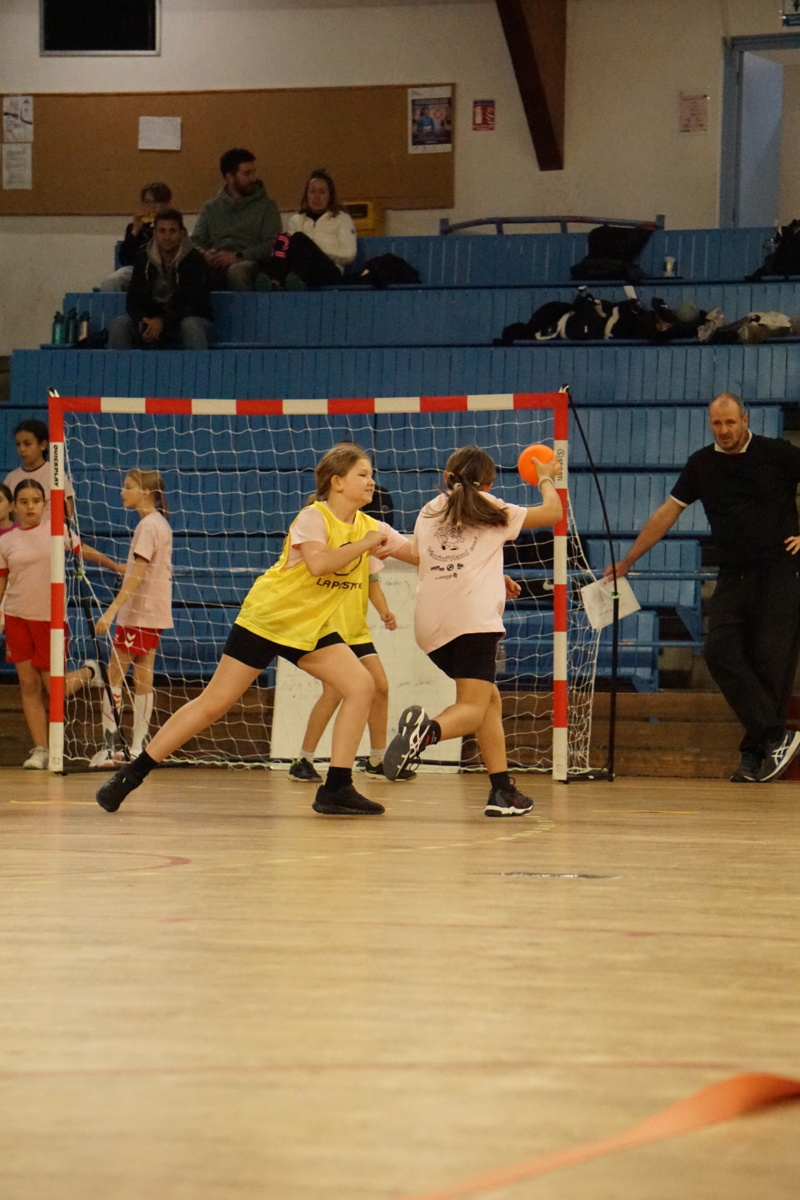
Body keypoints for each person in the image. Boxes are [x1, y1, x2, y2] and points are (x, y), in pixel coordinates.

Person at [95, 442, 417, 817]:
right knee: (213, 705)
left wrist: (455, 538)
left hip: (309, 628)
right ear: (337, 482)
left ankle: (337, 787)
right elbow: (318, 564)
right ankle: (130, 775)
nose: (371, 481)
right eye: (362, 474)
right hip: (268, 618)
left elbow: (418, 555)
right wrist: (364, 545)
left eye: (371, 475)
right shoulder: (314, 517)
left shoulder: (373, 527)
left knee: (361, 685)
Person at [603, 391, 800, 784]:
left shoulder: (776, 453)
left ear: (745, 420)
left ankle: (754, 756)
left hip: (780, 571)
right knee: (719, 650)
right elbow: (667, 513)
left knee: (770, 663)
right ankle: (776, 737)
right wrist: (628, 560)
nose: (724, 430)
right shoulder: (701, 464)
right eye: (717, 423)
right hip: (733, 573)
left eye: (730, 422)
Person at [382, 444, 562, 817]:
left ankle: (502, 791)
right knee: (472, 707)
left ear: (446, 477)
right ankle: (425, 733)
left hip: (430, 626)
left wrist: (494, 575)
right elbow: (553, 512)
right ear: (489, 484)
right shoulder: (491, 508)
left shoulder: (429, 510)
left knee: (488, 701)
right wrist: (546, 477)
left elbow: (428, 558)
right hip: (472, 622)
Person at [0, 480, 123, 770]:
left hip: (50, 621)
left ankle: (90, 671)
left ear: (44, 504)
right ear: (15, 506)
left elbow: (84, 551)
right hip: (17, 618)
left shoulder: (57, 531)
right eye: (24, 502)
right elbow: (2, 582)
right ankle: (41, 749)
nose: (30, 507)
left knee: (54, 686)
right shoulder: (6, 541)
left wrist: (115, 566)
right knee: (28, 684)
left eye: (35, 501)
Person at [289, 573, 416, 783]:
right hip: (328, 630)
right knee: (333, 692)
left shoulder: (367, 554)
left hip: (357, 633)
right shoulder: (326, 554)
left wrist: (384, 611)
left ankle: (377, 760)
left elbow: (372, 583)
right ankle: (303, 760)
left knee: (379, 686)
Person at [89, 470, 173, 768]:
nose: (122, 492)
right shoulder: (159, 523)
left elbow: (136, 576)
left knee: (114, 675)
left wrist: (112, 611)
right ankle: (137, 748)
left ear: (146, 493)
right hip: (154, 612)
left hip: (139, 613)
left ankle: (110, 747)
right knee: (142, 677)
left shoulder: (148, 526)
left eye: (128, 487)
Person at [108, 209, 214, 350]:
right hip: (151, 322)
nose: (167, 237)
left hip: (184, 322)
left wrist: (163, 321)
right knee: (120, 324)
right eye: (162, 231)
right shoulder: (143, 258)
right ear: (154, 233)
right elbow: (133, 301)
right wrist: (145, 322)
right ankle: (118, 365)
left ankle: (199, 364)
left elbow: (195, 304)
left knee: (191, 325)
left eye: (172, 231)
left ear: (182, 233)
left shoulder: (195, 260)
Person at [191, 148, 281, 291]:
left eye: (253, 172)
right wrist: (205, 255)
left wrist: (238, 256)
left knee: (237, 272)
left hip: (250, 262)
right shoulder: (210, 208)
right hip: (217, 261)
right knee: (190, 268)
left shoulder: (267, 206)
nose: (253, 178)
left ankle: (247, 306)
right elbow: (194, 241)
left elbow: (272, 244)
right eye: (246, 174)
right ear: (230, 178)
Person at [259, 169, 356, 290]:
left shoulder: (342, 218)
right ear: (306, 195)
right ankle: (273, 280)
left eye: (322, 192)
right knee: (282, 240)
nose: (317, 197)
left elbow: (349, 254)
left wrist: (313, 249)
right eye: (312, 192)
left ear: (330, 196)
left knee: (299, 238)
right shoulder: (296, 220)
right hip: (300, 269)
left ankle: (291, 278)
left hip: (329, 271)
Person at [99, 181, 173, 292]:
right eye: (147, 202)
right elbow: (124, 259)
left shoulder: (174, 227)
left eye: (156, 202)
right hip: (138, 270)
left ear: (167, 204)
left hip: (166, 271)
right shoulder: (135, 227)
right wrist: (135, 231)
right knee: (113, 281)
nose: (152, 207)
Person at [3, 418, 75, 520]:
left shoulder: (54, 472)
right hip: (22, 529)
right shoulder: (11, 478)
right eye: (18, 444)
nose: (22, 449)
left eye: (27, 444)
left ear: (43, 445)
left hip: (51, 529)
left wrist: (62, 527)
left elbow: (68, 505)